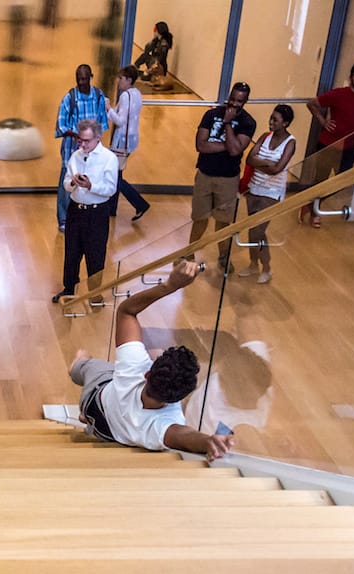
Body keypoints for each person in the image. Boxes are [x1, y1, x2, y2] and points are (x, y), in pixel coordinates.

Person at [68, 260, 234, 459]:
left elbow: (126, 311)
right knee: (101, 417)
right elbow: (184, 436)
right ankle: (88, 421)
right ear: (180, 397)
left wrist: (170, 286)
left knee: (85, 365)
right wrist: (208, 441)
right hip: (108, 433)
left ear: (147, 373)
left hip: (95, 399)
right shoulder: (164, 426)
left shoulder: (133, 368)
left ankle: (79, 366)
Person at [185, 82, 255, 272]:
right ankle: (188, 253)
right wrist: (228, 146)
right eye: (232, 99)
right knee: (200, 217)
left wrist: (227, 124)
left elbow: (234, 151)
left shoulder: (248, 123)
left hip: (228, 179)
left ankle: (224, 257)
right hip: (205, 174)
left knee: (223, 221)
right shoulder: (210, 114)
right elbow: (201, 145)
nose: (233, 104)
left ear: (245, 101)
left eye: (239, 101)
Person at [301, 62, 354, 228]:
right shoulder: (339, 94)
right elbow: (311, 104)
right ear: (351, 77)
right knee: (321, 180)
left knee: (343, 181)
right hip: (328, 144)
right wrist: (323, 122)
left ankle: (310, 204)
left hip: (349, 147)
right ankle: (315, 211)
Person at [55, 119, 118, 306]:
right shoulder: (75, 156)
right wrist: (73, 182)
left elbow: (110, 189)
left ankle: (95, 294)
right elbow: (66, 185)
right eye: (80, 140)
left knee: (95, 254)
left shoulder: (109, 158)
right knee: (71, 252)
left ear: (98, 138)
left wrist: (91, 185)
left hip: (97, 213)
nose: (82, 144)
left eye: (86, 141)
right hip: (76, 210)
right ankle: (69, 289)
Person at [239, 104, 296, 283]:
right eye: (271, 118)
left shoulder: (291, 143)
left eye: (275, 120)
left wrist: (260, 162)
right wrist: (267, 164)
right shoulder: (265, 136)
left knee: (258, 231)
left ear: (285, 123)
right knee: (253, 231)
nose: (271, 122)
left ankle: (267, 267)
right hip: (254, 188)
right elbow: (249, 159)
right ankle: (253, 264)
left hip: (272, 193)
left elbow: (277, 169)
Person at [54, 64, 109, 232]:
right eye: (78, 79)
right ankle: (63, 219)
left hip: (92, 149)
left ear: (91, 77)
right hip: (72, 149)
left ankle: (86, 216)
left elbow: (102, 123)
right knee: (67, 181)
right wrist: (75, 135)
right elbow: (61, 125)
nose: (81, 82)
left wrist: (94, 142)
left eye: (84, 79)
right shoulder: (69, 98)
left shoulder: (99, 96)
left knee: (89, 179)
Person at [106, 65, 150, 222]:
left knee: (115, 176)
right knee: (117, 173)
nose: (119, 81)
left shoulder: (125, 96)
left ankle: (139, 203)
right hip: (131, 139)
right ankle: (112, 208)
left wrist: (108, 108)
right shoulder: (137, 94)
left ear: (129, 80)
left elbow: (120, 120)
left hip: (121, 142)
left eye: (121, 78)